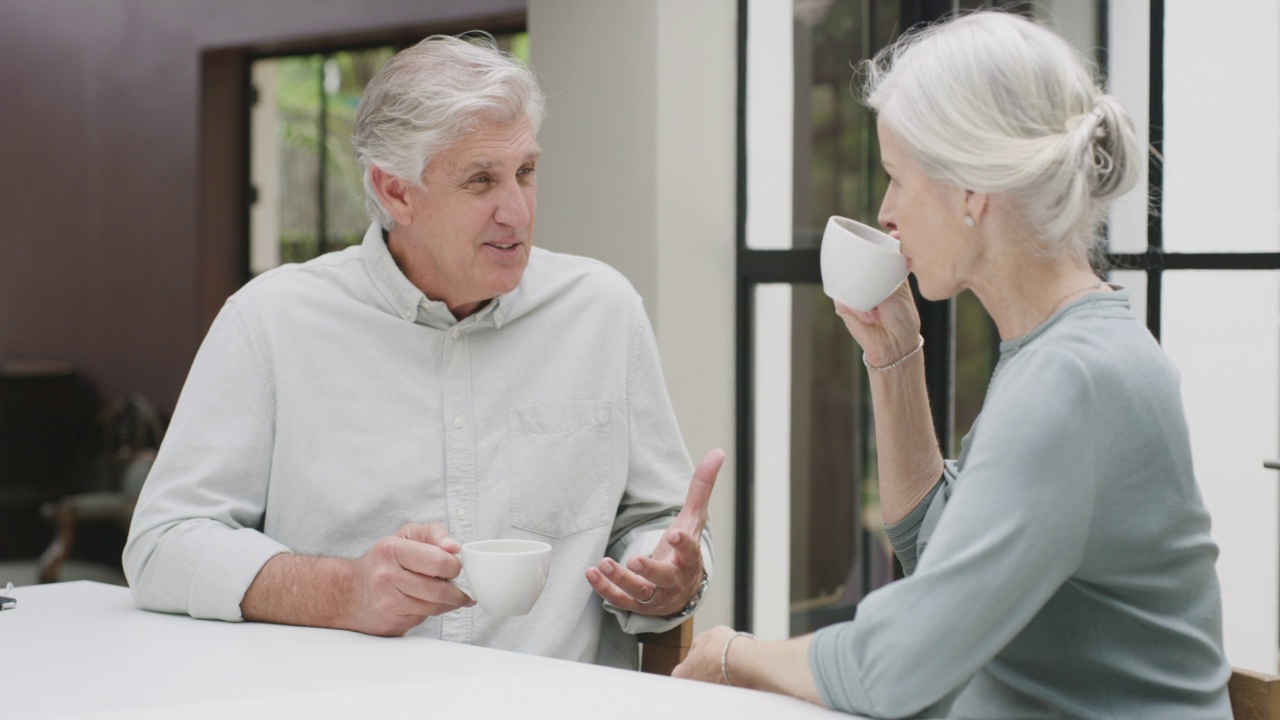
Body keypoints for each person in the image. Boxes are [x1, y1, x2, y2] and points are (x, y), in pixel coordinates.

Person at [674, 10, 1230, 718]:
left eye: (897, 179)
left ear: (971, 191)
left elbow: (897, 666)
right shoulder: (1059, 354)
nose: (885, 210)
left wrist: (733, 652)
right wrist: (895, 359)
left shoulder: (1073, 381)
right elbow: (935, 550)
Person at [123, 33, 720, 670]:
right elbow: (163, 546)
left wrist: (668, 572)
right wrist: (345, 591)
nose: (517, 211)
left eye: (525, 171)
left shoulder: (603, 310)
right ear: (395, 192)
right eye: (481, 180)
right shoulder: (268, 322)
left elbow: (656, 522)